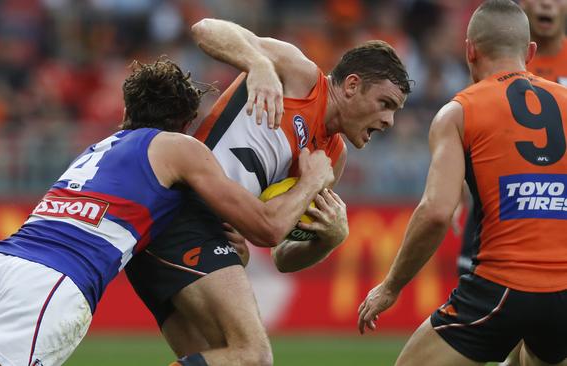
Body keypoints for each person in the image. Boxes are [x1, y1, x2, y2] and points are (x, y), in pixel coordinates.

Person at [0, 59, 334, 366]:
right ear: (187, 122)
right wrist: (313, 179)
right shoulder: (178, 147)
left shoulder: (99, 147)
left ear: (124, 112)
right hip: (54, 278)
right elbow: (269, 227)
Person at [125, 18, 411, 366]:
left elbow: (282, 255)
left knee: (226, 360)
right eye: (386, 104)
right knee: (253, 357)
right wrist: (258, 63)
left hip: (193, 231)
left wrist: (328, 239)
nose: (389, 122)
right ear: (351, 86)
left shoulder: (333, 158)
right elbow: (204, 29)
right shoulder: (301, 75)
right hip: (181, 211)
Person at [358, 1, 567, 365]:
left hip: (502, 285)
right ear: (530, 52)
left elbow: (437, 212)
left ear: (469, 49)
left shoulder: (459, 111)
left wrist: (390, 287)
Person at [457, 0, 567, 277]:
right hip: (500, 202)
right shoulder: (499, 57)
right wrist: (455, 185)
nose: (546, 4)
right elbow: (470, 124)